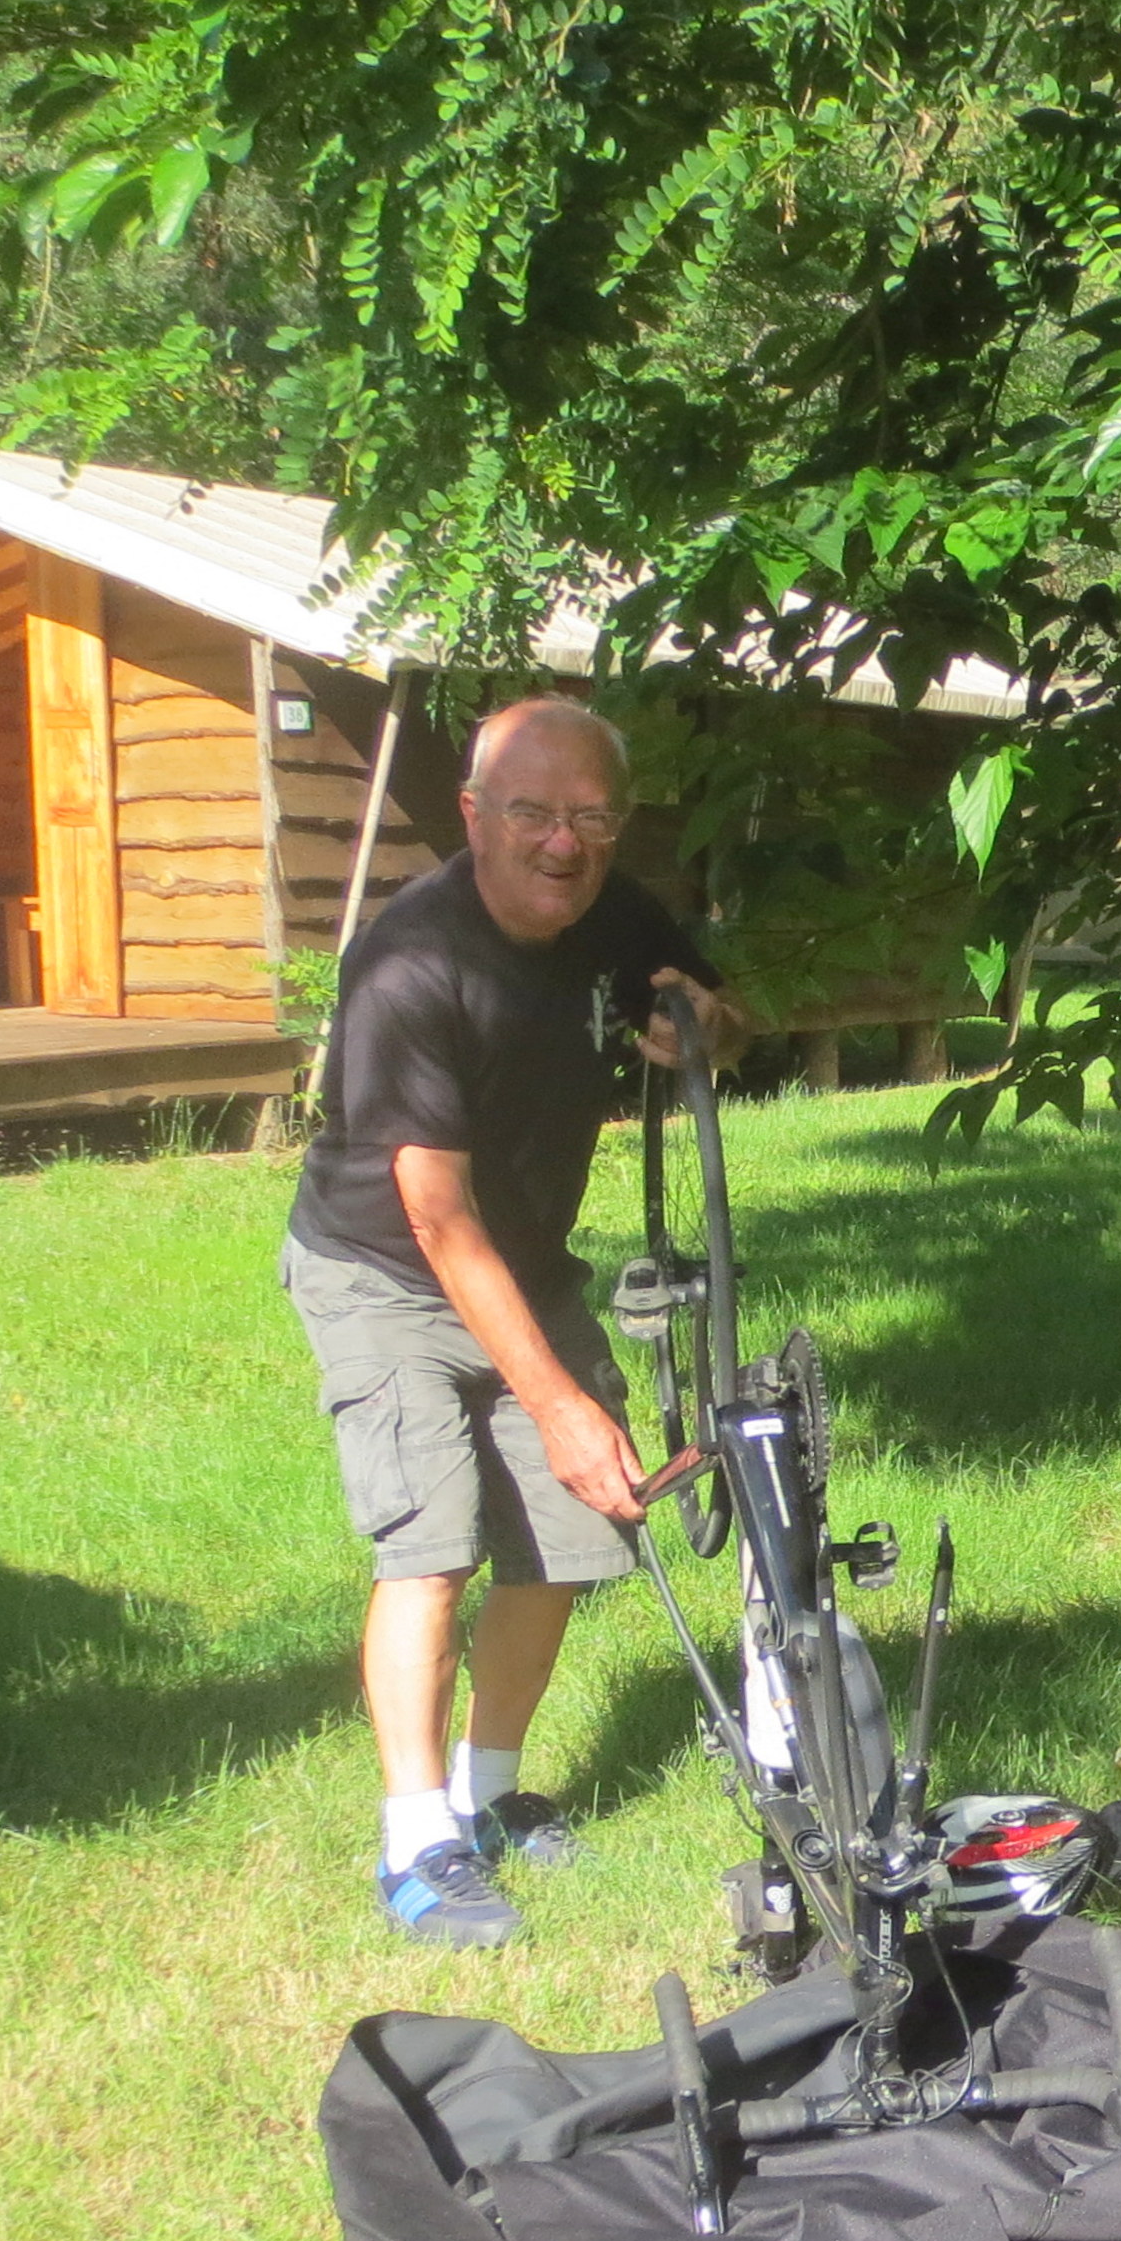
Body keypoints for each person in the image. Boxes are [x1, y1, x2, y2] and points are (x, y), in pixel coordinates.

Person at [281, 696, 738, 1947]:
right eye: (531, 812)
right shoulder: (411, 965)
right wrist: (560, 1403)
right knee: (431, 1547)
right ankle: (414, 1842)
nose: (563, 843)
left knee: (571, 1537)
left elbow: (717, 1016)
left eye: (592, 817)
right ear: (474, 815)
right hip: (385, 1271)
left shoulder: (612, 912)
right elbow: (436, 1214)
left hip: (524, 1264)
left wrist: (700, 1028)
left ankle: (487, 1799)